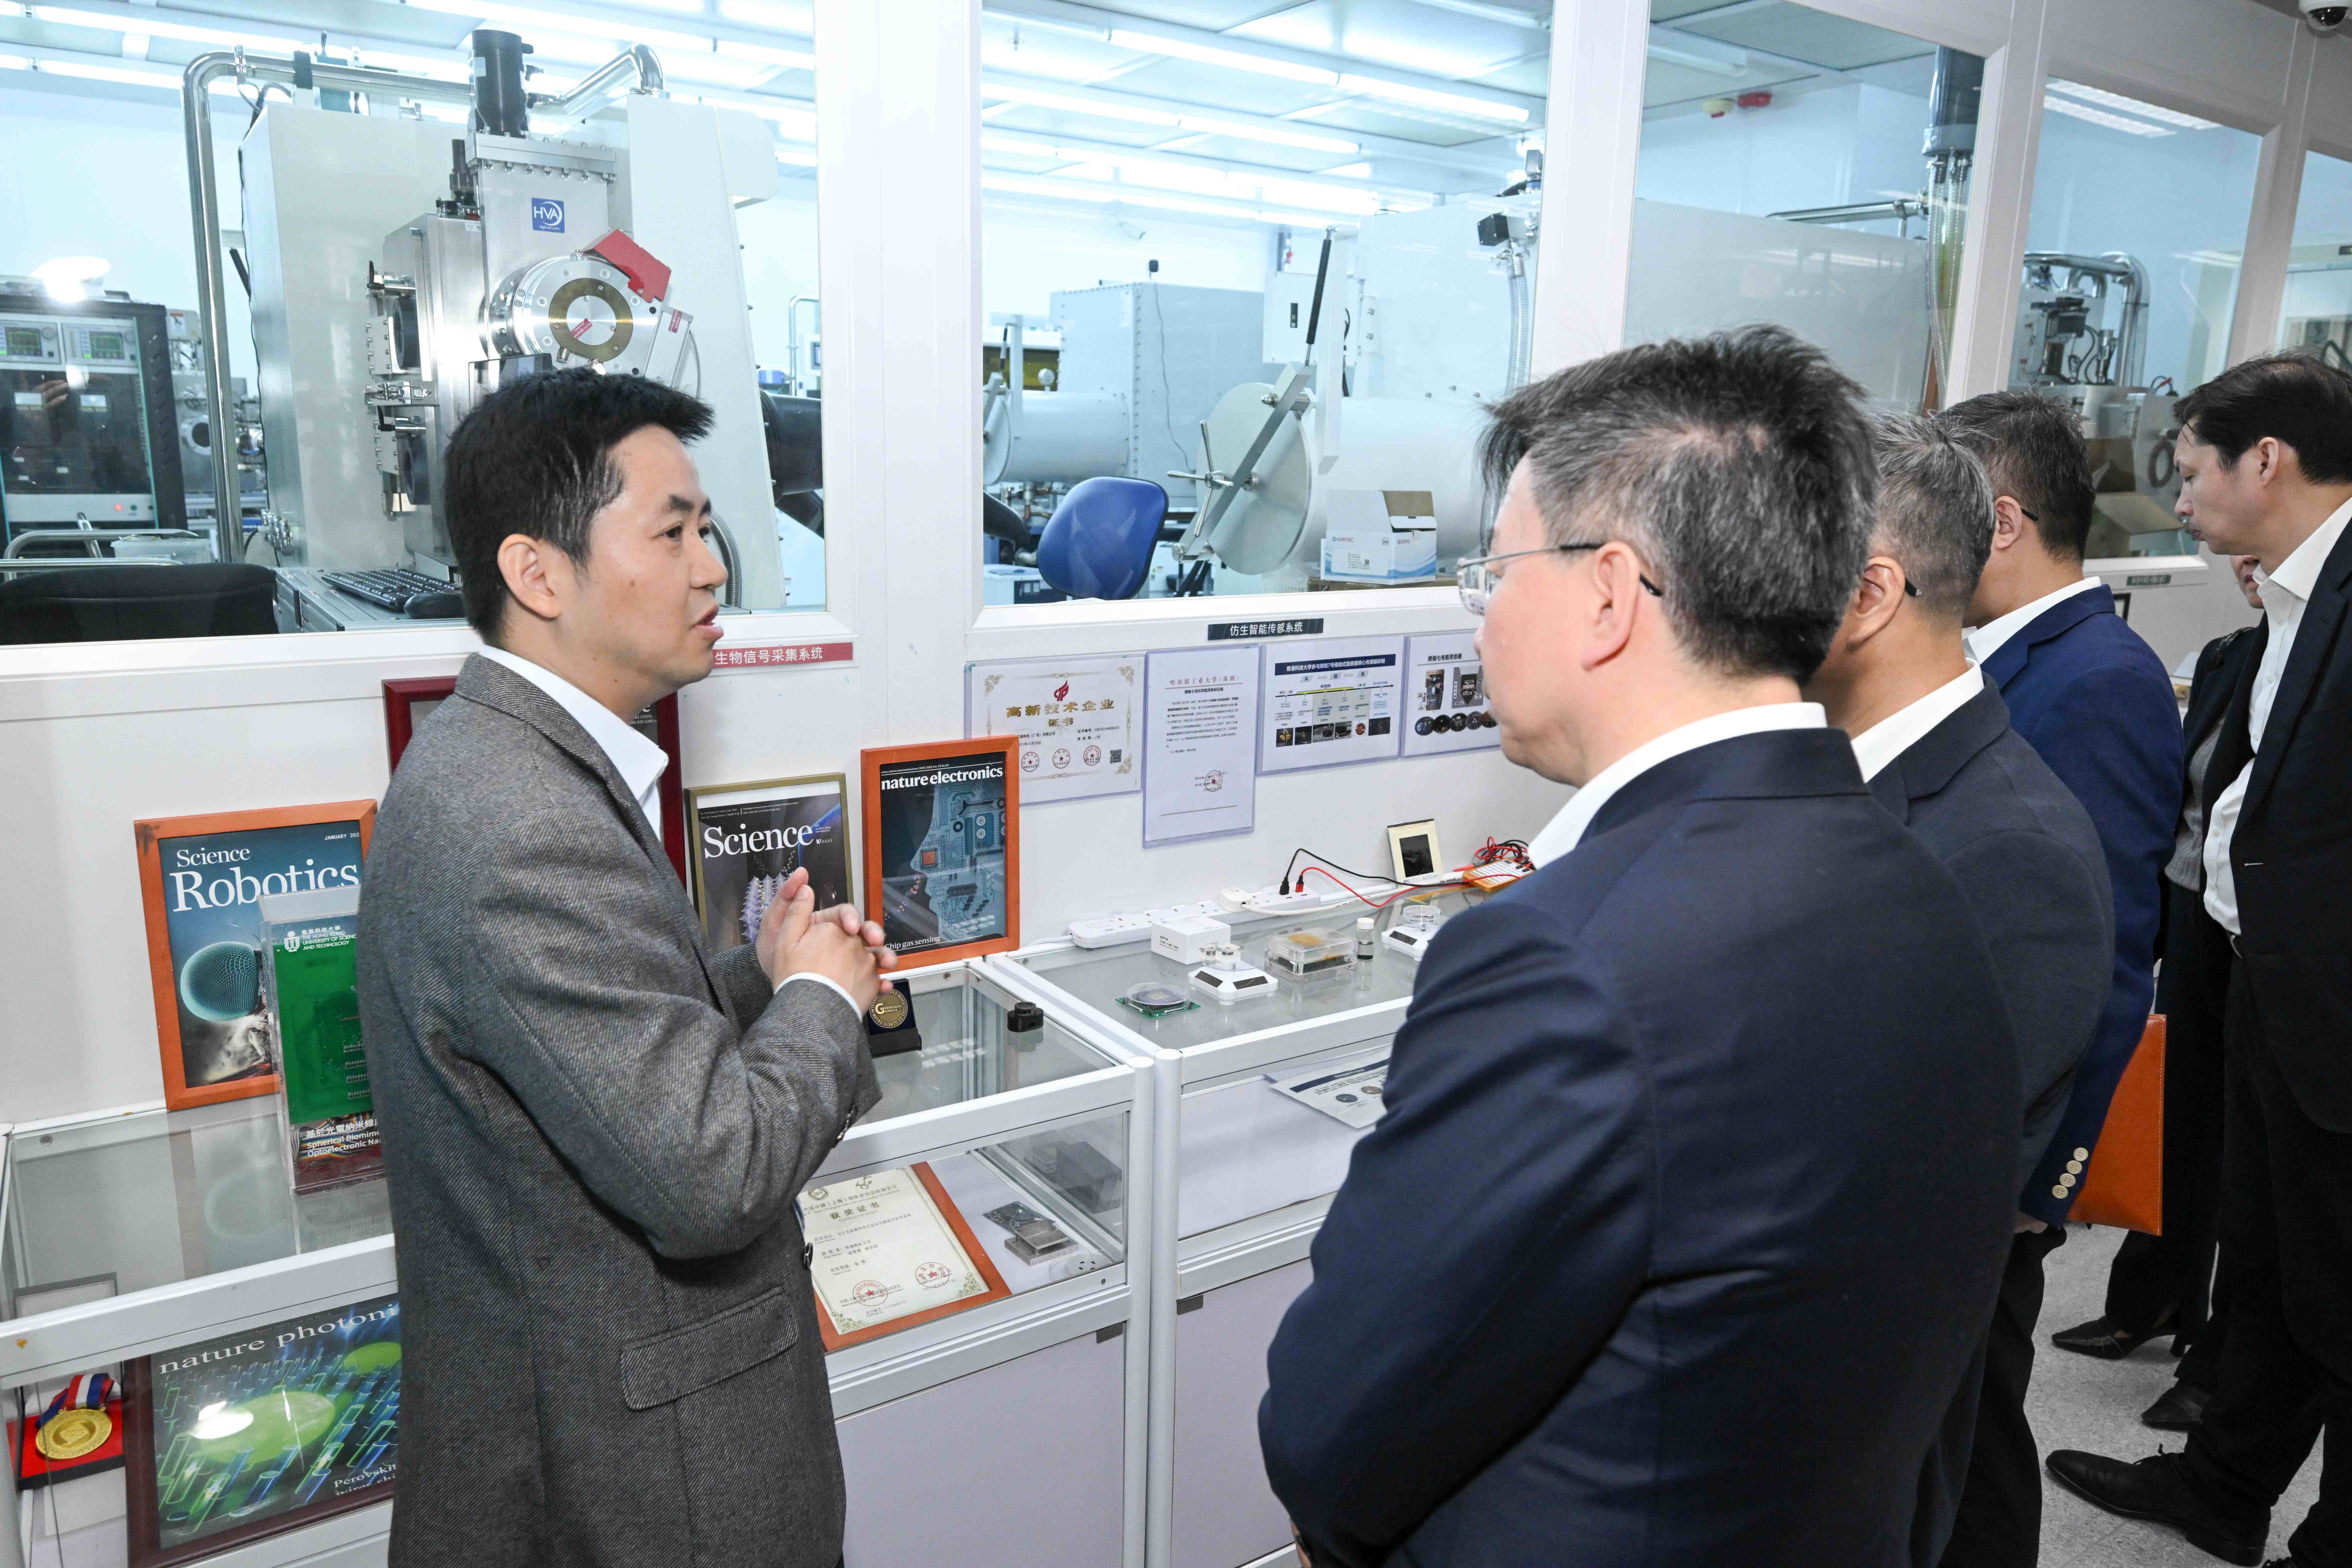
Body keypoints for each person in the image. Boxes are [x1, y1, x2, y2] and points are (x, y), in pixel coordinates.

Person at [1257, 328, 2019, 1568]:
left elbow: (1332, 1425)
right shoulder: (1928, 877)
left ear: (1608, 595)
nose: (1482, 617)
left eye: (1492, 573)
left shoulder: (1562, 961)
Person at [357, 369, 892, 1568]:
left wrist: (759, 979)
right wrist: (819, 998)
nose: (714, 571)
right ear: (538, 573)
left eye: (711, 530)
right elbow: (711, 1177)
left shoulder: (513, 767)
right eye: (673, 532)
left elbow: (588, 1058)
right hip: (637, 1492)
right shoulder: (519, 821)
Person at [2047, 351, 2352, 1568]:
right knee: (2271, 1263)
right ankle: (2224, 1484)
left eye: (2190, 473)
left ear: (2264, 461)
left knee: (2340, 1289)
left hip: (2333, 1008)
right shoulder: (2292, 596)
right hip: (2266, 982)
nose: (2179, 502)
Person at [1800, 414, 2114, 1565]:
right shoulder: (1847, 777)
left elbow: (1889, 1200)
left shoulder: (2006, 846)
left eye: (1780, 554)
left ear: (1871, 591)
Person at [1934, 391, 2183, 1567]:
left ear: (1998, 520)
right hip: (1970, 1118)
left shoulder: (2098, 679)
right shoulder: (2010, 662)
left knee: (1975, 1422)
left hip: (2011, 1148)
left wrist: (2055, 1167)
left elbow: (2110, 946)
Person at [2050, 554, 2265, 1432]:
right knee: (2174, 1113)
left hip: (2257, 924)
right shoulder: (2225, 657)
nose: (2246, 568)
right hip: (2187, 906)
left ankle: (2214, 1351)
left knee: (2236, 1135)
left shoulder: (2316, 663)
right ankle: (2152, 1300)